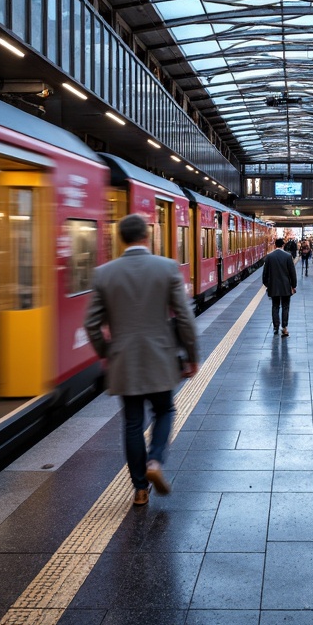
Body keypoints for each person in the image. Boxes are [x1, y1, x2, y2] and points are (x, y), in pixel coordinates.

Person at [84, 214, 198, 507]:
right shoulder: (167, 267)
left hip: (124, 361)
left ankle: (140, 489)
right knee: (164, 411)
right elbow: (184, 318)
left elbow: (91, 323)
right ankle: (156, 462)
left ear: (120, 239)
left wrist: (108, 352)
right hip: (160, 357)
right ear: (147, 237)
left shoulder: (104, 273)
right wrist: (192, 356)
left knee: (132, 423)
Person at [263, 237, 297, 337]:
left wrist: (267, 285)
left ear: (275, 245)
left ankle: (275, 327)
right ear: (283, 245)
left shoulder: (269, 257)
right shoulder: (288, 256)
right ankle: (284, 327)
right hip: (286, 287)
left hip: (273, 287)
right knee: (285, 307)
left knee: (275, 306)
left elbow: (265, 274)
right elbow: (292, 273)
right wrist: (293, 285)